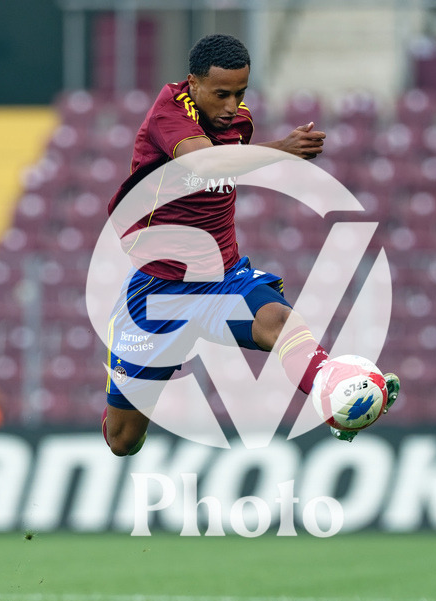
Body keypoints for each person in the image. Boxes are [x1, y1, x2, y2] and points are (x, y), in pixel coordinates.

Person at [100, 34, 399, 456]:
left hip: (221, 280)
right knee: (123, 441)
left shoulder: (238, 122)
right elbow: (203, 163)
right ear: (193, 83)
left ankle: (335, 393)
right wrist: (283, 150)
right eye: (221, 94)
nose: (231, 106)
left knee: (279, 320)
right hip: (158, 292)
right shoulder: (169, 112)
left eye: (240, 93)